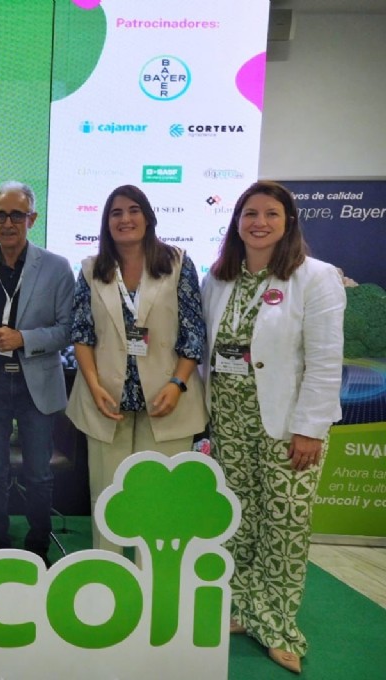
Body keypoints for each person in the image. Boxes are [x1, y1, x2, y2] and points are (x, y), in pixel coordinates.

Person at [202, 181, 345, 674]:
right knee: (238, 519)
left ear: (289, 223)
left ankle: (280, 626)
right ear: (237, 221)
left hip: (287, 424)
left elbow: (325, 360)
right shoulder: (219, 278)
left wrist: (311, 427)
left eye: (271, 214)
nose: (259, 222)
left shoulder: (316, 277)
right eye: (250, 213)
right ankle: (242, 609)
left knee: (285, 523)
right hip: (229, 419)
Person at [66, 185, 207, 556]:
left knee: (157, 500)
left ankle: (152, 580)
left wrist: (177, 384)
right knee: (106, 497)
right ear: (106, 222)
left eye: (133, 210)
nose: (125, 219)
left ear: (148, 217)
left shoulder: (177, 263)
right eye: (116, 213)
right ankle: (107, 575)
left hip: (166, 399)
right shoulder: (91, 269)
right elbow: (81, 333)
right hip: (105, 399)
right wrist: (93, 386)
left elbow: (194, 333)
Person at [0, 181, 74, 563]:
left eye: (17, 215)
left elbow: (67, 330)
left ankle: (38, 549)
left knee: (38, 474)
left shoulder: (57, 267)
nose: (8, 223)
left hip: (35, 382)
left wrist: (23, 338)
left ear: (32, 218)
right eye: (0, 215)